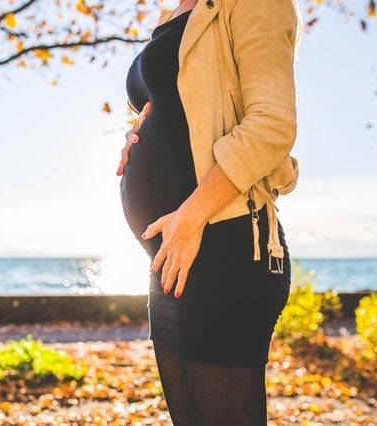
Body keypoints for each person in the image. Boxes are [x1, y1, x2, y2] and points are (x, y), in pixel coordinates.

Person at [117, 0, 301, 424]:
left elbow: (272, 123)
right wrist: (136, 134)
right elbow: (183, 109)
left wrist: (191, 215)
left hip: (225, 245)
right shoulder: (173, 14)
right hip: (170, 258)